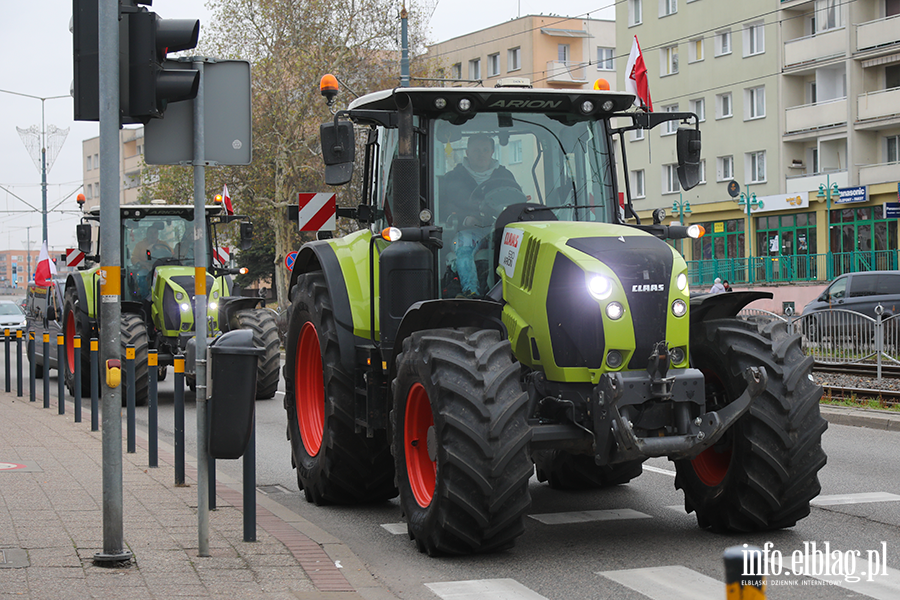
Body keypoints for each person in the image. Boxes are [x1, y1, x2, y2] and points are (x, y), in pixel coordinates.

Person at [440, 134, 524, 297]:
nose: (481, 154)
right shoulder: (453, 178)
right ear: (467, 152)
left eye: (485, 150)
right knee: (463, 249)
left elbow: (516, 202)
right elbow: (443, 206)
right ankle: (471, 292)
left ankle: (515, 295)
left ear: (492, 152)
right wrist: (465, 218)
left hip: (501, 230)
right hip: (466, 231)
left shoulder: (505, 176)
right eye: (476, 150)